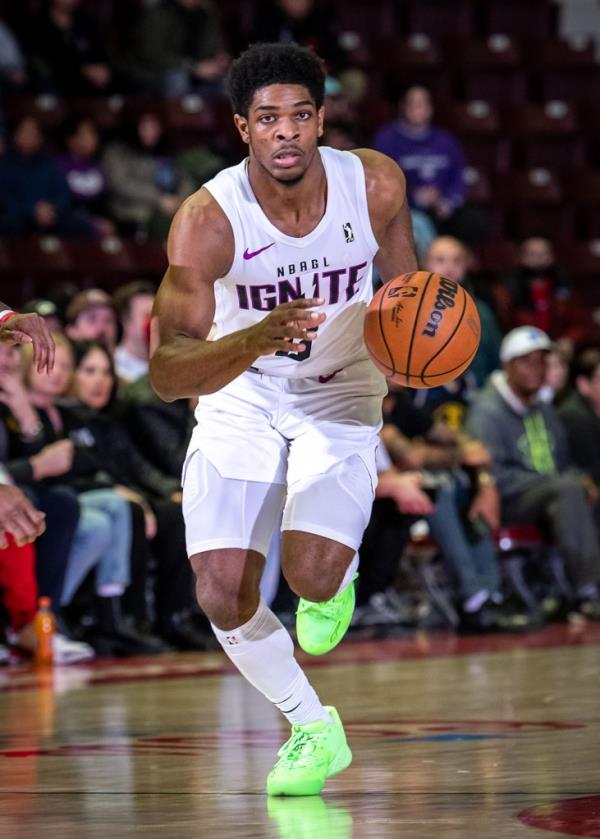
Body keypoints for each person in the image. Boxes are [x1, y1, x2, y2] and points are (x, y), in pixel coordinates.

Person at [149, 42, 417, 795]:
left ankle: (339, 567)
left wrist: (420, 353)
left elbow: (407, 295)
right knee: (220, 585)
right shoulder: (208, 220)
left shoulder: (373, 185)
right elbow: (167, 372)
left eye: (301, 115)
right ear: (243, 128)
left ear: (322, 119)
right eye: (269, 119)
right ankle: (312, 727)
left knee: (311, 575)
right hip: (243, 386)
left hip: (339, 384)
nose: (287, 132)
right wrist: (254, 337)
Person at [466, 327, 600, 620]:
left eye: (542, 362)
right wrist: (559, 482)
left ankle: (568, 588)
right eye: (527, 362)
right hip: (507, 499)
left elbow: (562, 462)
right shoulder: (487, 410)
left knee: (582, 488)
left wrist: (581, 478)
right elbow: (493, 474)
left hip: (548, 495)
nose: (536, 369)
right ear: (507, 365)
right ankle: (586, 591)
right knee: (567, 489)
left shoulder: (543, 408)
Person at [373, 86, 486, 245]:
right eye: (413, 104)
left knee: (474, 222)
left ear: (430, 109)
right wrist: (413, 197)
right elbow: (381, 180)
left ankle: (458, 265)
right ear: (403, 107)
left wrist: (448, 201)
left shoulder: (446, 140)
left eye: (423, 104)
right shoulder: (387, 138)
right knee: (416, 224)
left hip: (442, 206)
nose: (418, 109)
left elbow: (458, 176)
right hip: (405, 208)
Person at [113, 281, 155, 383]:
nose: (154, 322)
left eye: (156, 314)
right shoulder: (112, 368)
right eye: (147, 315)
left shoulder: (169, 366)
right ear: (126, 321)